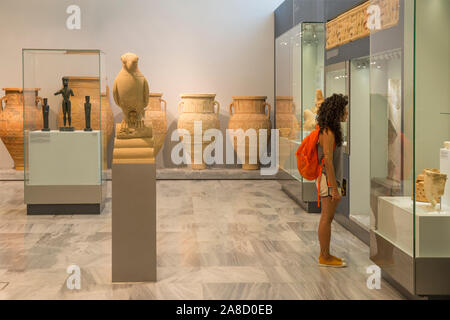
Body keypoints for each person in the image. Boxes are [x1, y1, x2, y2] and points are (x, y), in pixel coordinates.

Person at [316, 93, 348, 268]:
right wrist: (334, 188)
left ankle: (326, 254)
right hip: (328, 180)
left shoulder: (331, 130)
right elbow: (327, 161)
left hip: (331, 180)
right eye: (345, 110)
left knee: (328, 218)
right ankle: (324, 256)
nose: (347, 113)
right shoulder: (327, 131)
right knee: (326, 218)